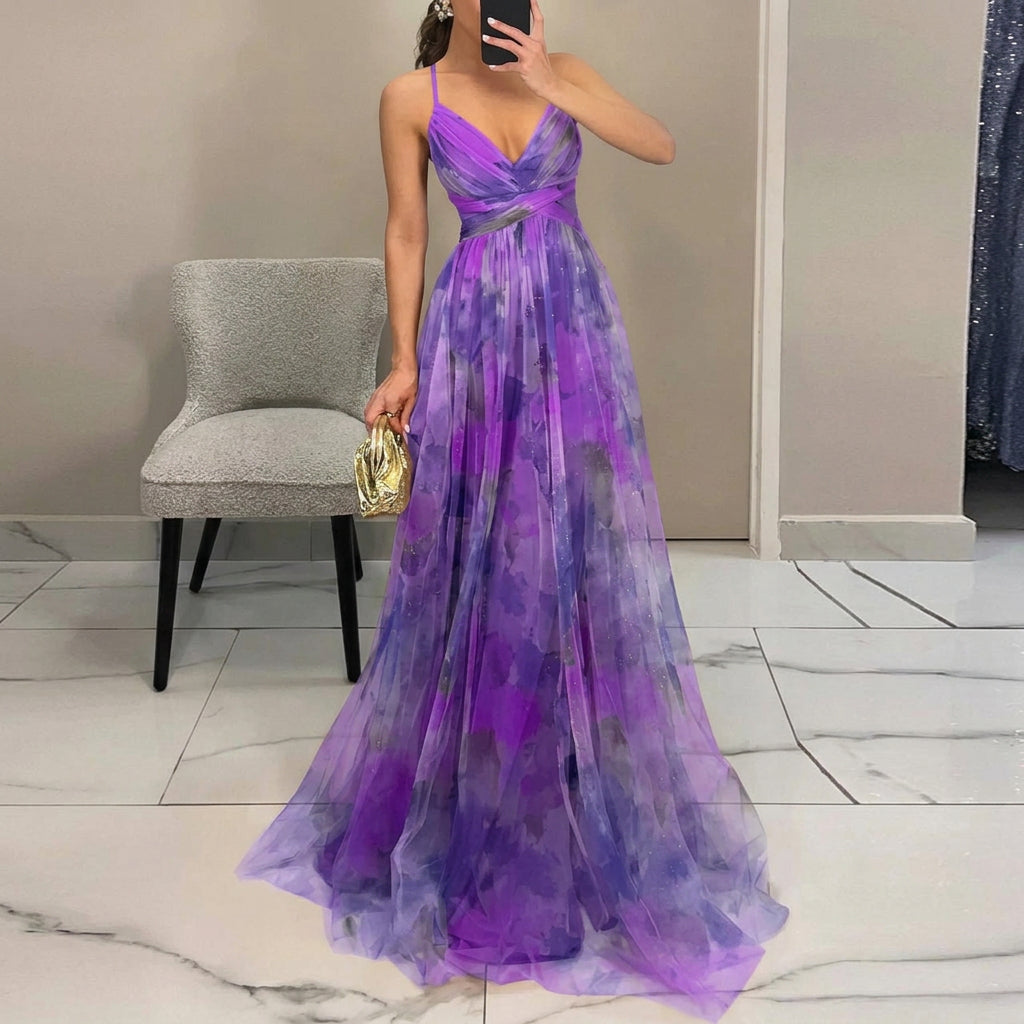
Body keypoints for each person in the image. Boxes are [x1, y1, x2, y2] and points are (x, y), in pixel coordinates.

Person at [235, 2, 789, 1019]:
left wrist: (549, 81)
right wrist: (404, 360)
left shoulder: (562, 67)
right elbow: (407, 228)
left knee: (576, 548)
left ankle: (577, 778)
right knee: (480, 554)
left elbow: (658, 145)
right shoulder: (409, 96)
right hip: (475, 330)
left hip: (573, 325)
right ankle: (479, 786)